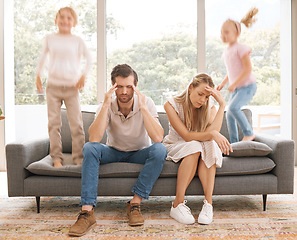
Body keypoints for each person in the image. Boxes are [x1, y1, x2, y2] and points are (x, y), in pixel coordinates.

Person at [68, 64, 167, 237]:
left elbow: (158, 138)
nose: (124, 91)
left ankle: (135, 204)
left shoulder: (147, 102)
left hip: (139, 153)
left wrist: (143, 108)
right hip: (113, 152)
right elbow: (94, 139)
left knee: (160, 150)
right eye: (119, 86)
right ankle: (87, 213)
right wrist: (106, 105)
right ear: (113, 86)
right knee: (90, 148)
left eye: (129, 87)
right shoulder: (106, 104)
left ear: (135, 87)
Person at [163, 73, 232, 225]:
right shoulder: (171, 104)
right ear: (190, 88)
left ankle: (208, 204)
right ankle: (177, 204)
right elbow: (187, 136)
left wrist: (222, 106)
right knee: (194, 145)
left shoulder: (209, 108)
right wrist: (212, 133)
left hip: (199, 144)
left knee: (211, 145)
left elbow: (212, 135)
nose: (203, 100)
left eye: (207, 97)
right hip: (175, 144)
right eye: (200, 94)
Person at [36, 7, 92, 167]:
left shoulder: (77, 41)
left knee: (77, 124)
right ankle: (56, 158)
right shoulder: (49, 38)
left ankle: (79, 158)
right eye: (62, 17)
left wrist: (83, 75)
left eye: (69, 18)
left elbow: (89, 59)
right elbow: (42, 59)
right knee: (54, 124)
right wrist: (38, 75)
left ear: (73, 22)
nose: (65, 20)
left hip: (71, 88)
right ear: (56, 20)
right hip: (53, 87)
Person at [217, 7, 259, 143]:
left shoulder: (241, 49)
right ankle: (234, 143)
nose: (223, 35)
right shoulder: (227, 51)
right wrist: (223, 83)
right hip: (237, 88)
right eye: (222, 32)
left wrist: (234, 83)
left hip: (248, 86)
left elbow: (247, 69)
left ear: (236, 33)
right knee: (229, 114)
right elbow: (231, 71)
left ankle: (249, 133)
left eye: (227, 32)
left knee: (233, 108)